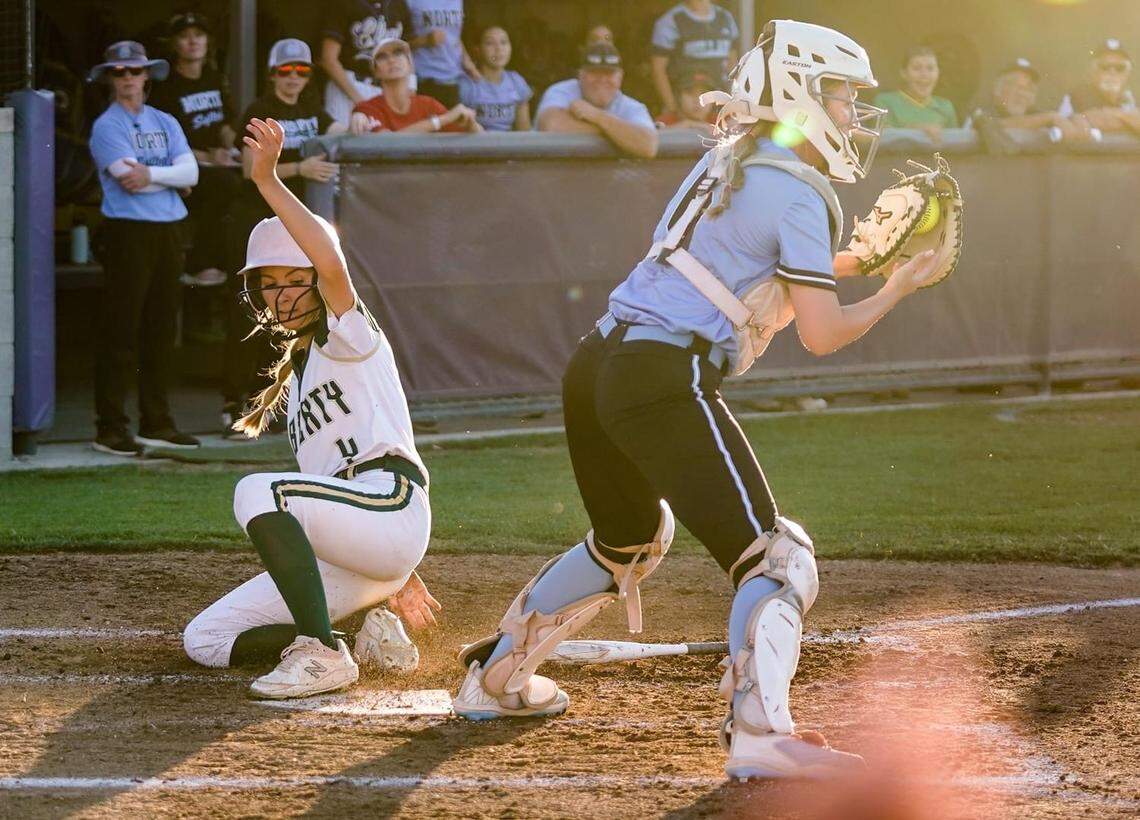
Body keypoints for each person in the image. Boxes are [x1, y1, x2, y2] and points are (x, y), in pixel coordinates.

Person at [452, 20, 940, 781]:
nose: (852, 113)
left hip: (598, 362)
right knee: (777, 560)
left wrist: (861, 259)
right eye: (842, 97)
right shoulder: (799, 191)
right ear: (799, 96)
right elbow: (821, 332)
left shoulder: (733, 158)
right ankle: (760, 732)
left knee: (632, 536)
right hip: (659, 375)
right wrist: (895, 287)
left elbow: (747, 267)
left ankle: (494, 679)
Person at [183, 116, 441, 699]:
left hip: (392, 507)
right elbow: (322, 497)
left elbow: (331, 264)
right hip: (363, 539)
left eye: (292, 279)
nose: (281, 294)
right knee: (207, 639)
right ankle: (356, 638)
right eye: (267, 284)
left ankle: (320, 653)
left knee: (257, 491)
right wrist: (394, 573)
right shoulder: (298, 382)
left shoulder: (349, 336)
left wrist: (269, 181)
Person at [224, 39, 345, 436]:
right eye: (287, 70)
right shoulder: (259, 110)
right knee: (255, 312)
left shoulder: (313, 109)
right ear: (273, 73)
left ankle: (284, 404)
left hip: (297, 233)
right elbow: (246, 168)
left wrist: (357, 121)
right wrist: (301, 169)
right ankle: (236, 399)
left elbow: (338, 131)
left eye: (303, 71)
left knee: (298, 315)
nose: (294, 78)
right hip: (258, 227)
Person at [87, 41, 201, 456]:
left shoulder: (165, 120)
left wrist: (154, 173)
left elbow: (192, 172)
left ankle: (157, 422)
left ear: (146, 75)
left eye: (134, 71)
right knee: (121, 331)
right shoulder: (107, 126)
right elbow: (124, 177)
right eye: (119, 72)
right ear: (110, 79)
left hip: (168, 230)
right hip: (128, 231)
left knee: (159, 330)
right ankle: (110, 428)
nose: (128, 78)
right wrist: (172, 177)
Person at [147, 11, 238, 288]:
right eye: (185, 37)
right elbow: (164, 143)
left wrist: (237, 148)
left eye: (198, 36)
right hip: (183, 166)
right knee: (225, 184)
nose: (192, 42)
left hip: (219, 161)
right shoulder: (166, 88)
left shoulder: (213, 77)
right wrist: (209, 157)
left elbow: (224, 123)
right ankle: (201, 264)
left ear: (207, 41)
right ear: (174, 44)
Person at [535, 43, 658, 159]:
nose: (602, 79)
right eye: (595, 72)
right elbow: (551, 125)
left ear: (620, 77)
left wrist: (597, 116)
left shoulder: (632, 106)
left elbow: (648, 146)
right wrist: (618, 134)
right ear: (580, 75)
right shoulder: (561, 91)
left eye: (609, 73)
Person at [349, 35, 482, 133]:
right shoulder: (367, 109)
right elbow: (390, 144)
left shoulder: (428, 105)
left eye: (398, 53)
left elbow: (478, 137)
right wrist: (442, 120)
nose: (392, 60)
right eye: (382, 56)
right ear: (375, 71)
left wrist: (471, 125)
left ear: (410, 64)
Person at [318, 0, 413, 126]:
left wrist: (410, 88)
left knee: (386, 143)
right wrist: (361, 102)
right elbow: (328, 60)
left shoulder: (399, 4)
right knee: (342, 142)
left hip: (385, 89)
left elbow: (406, 51)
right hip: (348, 87)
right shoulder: (341, 4)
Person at [650, 0, 739, 118]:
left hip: (719, 108)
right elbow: (658, 70)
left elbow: (732, 65)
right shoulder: (670, 21)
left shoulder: (726, 18)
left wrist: (734, 104)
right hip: (684, 108)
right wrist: (673, 110)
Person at [964, 58, 1085, 144]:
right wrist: (1049, 118)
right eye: (1013, 85)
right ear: (997, 90)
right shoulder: (980, 112)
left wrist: (1074, 119)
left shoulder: (1037, 114)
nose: (1022, 94)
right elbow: (996, 127)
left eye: (1029, 89)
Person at [874, 45, 958, 143]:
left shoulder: (946, 106)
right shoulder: (885, 101)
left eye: (930, 69)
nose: (924, 74)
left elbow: (955, 142)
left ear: (938, 73)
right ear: (904, 73)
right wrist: (919, 130)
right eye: (917, 68)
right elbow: (882, 137)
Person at [404, 0, 479, 107]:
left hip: (455, 78)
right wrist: (424, 41)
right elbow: (397, 43)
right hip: (424, 79)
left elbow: (453, 34)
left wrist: (466, 59)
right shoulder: (409, 2)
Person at [1059, 39, 1139, 139]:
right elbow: (1096, 121)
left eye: (1120, 68)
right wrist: (1127, 118)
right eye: (1105, 67)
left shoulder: (1129, 97)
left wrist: (1114, 114)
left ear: (1127, 74)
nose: (1112, 73)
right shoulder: (1077, 95)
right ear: (1093, 71)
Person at [458, 25, 532, 132]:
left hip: (509, 146)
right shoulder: (466, 84)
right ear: (477, 50)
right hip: (476, 147)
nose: (498, 49)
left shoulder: (516, 81)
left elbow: (524, 131)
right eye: (490, 43)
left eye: (503, 42)